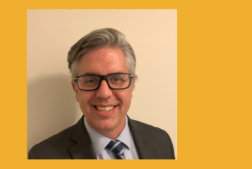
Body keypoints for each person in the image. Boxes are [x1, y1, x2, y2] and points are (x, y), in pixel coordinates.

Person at [28, 28, 175, 159]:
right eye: (91, 80)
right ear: (76, 89)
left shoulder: (161, 141)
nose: (104, 93)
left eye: (116, 79)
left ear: (132, 85)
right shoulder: (43, 156)